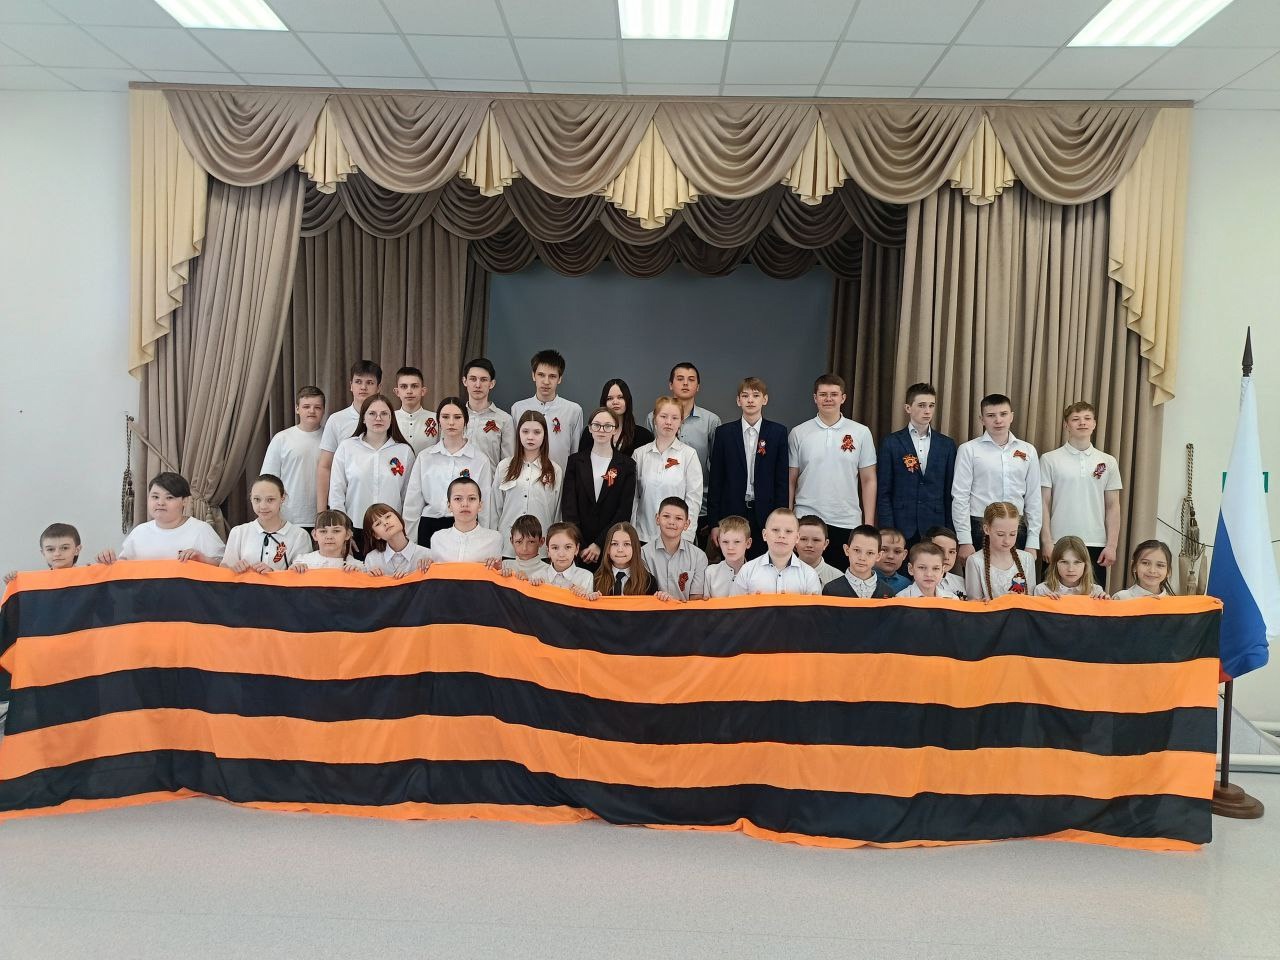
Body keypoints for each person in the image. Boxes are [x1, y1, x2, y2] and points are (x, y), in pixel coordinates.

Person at [788, 374, 877, 571]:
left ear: (843, 398)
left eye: (834, 394)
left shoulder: (861, 432)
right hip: (806, 518)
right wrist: (789, 519)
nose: (828, 399)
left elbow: (869, 480)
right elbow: (791, 479)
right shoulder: (799, 433)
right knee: (801, 578)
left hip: (845, 520)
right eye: (823, 394)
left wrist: (868, 524)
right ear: (815, 398)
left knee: (840, 580)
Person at [1039, 401, 1123, 588]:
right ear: (1066, 425)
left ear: (1094, 423)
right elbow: (1043, 503)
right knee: (1052, 597)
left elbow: (1113, 506)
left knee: (1093, 600)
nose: (1082, 423)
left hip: (1095, 542)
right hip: (1058, 542)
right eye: (1075, 419)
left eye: (1087, 418)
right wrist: (1046, 541)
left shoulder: (1108, 461)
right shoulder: (1049, 459)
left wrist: (1111, 545)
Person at [953, 393, 1042, 563]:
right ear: (982, 419)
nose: (998, 420)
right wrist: (964, 540)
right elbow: (960, 496)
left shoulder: (1028, 450)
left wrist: (1032, 541)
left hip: (1017, 528)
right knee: (980, 578)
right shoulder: (969, 450)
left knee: (1016, 578)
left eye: (1003, 414)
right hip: (980, 526)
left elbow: (1034, 498)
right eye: (991, 415)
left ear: (1011, 416)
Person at [707, 377, 788, 559]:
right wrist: (714, 523)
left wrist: (781, 520)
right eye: (745, 396)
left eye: (756, 395)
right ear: (738, 400)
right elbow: (716, 480)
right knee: (733, 562)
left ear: (764, 400)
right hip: (731, 512)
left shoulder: (778, 432)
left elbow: (781, 481)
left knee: (763, 563)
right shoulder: (724, 433)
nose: (750, 400)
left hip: (765, 514)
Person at [402, 396, 496, 546]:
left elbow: (485, 505)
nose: (451, 422)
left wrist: (484, 539)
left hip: (466, 526)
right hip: (429, 525)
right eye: (445, 417)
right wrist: (410, 542)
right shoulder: (425, 457)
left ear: (466, 421)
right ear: (438, 420)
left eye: (457, 417)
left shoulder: (479, 460)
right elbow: (412, 503)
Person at [329, 394, 415, 551]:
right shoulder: (347, 448)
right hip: (355, 529)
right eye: (372, 413)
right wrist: (342, 531)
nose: (378, 418)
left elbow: (409, 497)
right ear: (363, 418)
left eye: (384, 414)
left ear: (391, 418)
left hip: (392, 531)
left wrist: (406, 531)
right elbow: (336, 493)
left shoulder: (404, 451)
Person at [646, 362, 721, 539]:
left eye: (691, 380)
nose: (685, 383)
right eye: (680, 379)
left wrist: (714, 513)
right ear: (670, 384)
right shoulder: (653, 418)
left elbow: (718, 469)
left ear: (698, 386)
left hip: (700, 505)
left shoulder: (711, 421)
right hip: (659, 505)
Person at [876, 383, 956, 548]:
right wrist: (887, 529)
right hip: (901, 525)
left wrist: (949, 531)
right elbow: (884, 491)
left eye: (931, 406)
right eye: (921, 405)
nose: (927, 411)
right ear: (908, 408)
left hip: (936, 526)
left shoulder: (946, 444)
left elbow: (950, 492)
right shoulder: (892, 442)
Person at [563, 407, 637, 568]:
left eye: (608, 426)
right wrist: (581, 545)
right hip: (578, 548)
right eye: (596, 425)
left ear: (615, 429)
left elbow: (624, 511)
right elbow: (569, 508)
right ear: (590, 428)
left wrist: (599, 544)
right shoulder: (575, 462)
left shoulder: (627, 465)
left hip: (610, 547)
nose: (601, 430)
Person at [97, 472, 224, 565]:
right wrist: (107, 561)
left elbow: (224, 567)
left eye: (169, 498)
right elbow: (122, 568)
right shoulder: (139, 532)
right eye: (155, 497)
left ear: (185, 501)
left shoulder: (201, 530)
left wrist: (203, 559)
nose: (160, 503)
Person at [492, 411, 563, 559]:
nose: (530, 437)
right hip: (508, 548)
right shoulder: (504, 467)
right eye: (525, 431)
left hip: (541, 548)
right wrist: (493, 544)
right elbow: (495, 508)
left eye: (537, 432)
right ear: (518, 434)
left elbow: (557, 513)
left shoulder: (554, 470)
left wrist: (554, 545)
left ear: (545, 435)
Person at [633, 396, 702, 545]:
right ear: (654, 419)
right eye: (663, 416)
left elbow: (693, 500)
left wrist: (686, 536)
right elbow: (634, 499)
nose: (669, 422)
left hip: (677, 537)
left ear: (681, 422)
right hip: (643, 535)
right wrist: (631, 533)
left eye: (675, 418)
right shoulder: (640, 454)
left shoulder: (689, 455)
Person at [316, 359, 382, 514]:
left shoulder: (388, 419)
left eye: (370, 383)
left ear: (379, 387)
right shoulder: (336, 420)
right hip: (346, 505)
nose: (363, 387)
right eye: (358, 382)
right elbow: (325, 466)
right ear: (351, 385)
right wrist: (322, 512)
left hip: (383, 505)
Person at [261, 385, 324, 532]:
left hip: (322, 519)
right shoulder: (282, 438)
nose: (312, 411)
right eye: (306, 406)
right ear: (297, 409)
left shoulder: (331, 439)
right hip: (287, 518)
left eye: (317, 407)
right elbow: (268, 480)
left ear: (323, 410)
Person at [221, 474, 313, 573]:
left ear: (282, 498)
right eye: (257, 499)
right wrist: (234, 568)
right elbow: (224, 571)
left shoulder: (300, 536)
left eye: (270, 499)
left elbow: (303, 575)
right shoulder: (238, 532)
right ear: (251, 498)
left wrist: (273, 573)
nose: (263, 506)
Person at [510, 349, 583, 473]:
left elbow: (575, 452)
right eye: (541, 375)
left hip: (560, 478)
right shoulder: (518, 408)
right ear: (533, 375)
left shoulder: (573, 410)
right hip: (524, 477)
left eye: (552, 376)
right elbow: (514, 448)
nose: (546, 382)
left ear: (559, 379)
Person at [732, 508, 822, 596]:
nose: (781, 535)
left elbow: (816, 607)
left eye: (788, 531)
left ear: (797, 537)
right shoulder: (747, 571)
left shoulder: (809, 575)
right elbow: (733, 605)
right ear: (764, 534)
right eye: (775, 530)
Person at [964, 502, 1037, 601]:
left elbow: (1032, 600)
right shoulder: (975, 561)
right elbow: (973, 603)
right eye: (1000, 534)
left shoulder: (1027, 559)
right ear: (986, 529)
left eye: (1012, 534)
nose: (1007, 541)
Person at [640, 497, 708, 601]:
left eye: (678, 518)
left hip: (685, 611)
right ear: (657, 519)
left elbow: (696, 599)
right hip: (653, 610)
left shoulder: (699, 556)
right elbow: (643, 595)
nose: (671, 522)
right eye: (666, 516)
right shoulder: (643, 553)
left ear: (686, 524)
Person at [428, 476, 503, 562]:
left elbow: (497, 569)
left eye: (472, 498)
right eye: (458, 499)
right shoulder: (438, 538)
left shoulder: (495, 539)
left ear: (480, 505)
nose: (465, 504)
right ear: (449, 506)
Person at [461, 357, 515, 469]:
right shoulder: (455, 417)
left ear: (492, 384)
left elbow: (508, 463)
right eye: (473, 379)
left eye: (484, 380)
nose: (478, 385)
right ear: (465, 381)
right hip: (456, 479)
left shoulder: (504, 420)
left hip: (489, 479)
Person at [577, 378, 653, 457]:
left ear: (628, 401)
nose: (615, 402)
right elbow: (581, 461)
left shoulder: (644, 435)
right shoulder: (591, 431)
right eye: (609, 398)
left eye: (620, 397)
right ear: (604, 402)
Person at [822, 526, 895, 599]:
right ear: (847, 550)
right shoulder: (831, 590)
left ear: (878, 556)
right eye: (857, 550)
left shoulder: (888, 592)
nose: (862, 558)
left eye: (870, 553)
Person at [362, 503, 432, 578]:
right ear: (376, 535)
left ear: (399, 518)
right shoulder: (372, 559)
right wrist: (374, 579)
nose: (385, 523)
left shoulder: (427, 555)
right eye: (378, 523)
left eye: (388, 516)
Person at [592, 522, 661, 597]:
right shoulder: (596, 579)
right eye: (615, 544)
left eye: (626, 544)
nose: (620, 550)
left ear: (635, 548)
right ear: (608, 549)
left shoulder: (649, 581)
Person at [4, 522, 82, 583]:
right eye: (50, 549)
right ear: (43, 553)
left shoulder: (87, 576)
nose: (57, 554)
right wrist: (14, 584)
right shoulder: (35, 582)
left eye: (65, 548)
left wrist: (90, 573)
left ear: (77, 550)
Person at [1034, 535, 1108, 598]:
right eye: (1064, 562)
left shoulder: (1095, 591)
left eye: (1077, 562)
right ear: (1055, 564)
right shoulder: (1042, 590)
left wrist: (1105, 603)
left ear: (1085, 565)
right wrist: (1046, 602)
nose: (1071, 569)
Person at [531, 522, 595, 594]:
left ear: (576, 549)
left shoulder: (586, 577)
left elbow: (588, 601)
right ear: (548, 551)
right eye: (555, 548)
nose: (561, 554)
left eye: (568, 547)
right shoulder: (537, 576)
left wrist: (584, 596)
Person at [291, 509, 363, 571]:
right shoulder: (302, 561)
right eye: (323, 531)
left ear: (347, 534)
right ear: (314, 534)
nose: (329, 537)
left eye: (336, 531)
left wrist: (358, 574)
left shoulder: (356, 566)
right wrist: (295, 570)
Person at [392, 366, 438, 456]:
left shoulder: (436, 419)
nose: (409, 391)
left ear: (423, 391)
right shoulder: (389, 419)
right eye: (404, 386)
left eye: (414, 386)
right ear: (397, 392)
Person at [1112, 540, 1176, 600]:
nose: (1152, 571)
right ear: (1134, 566)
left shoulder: (1173, 602)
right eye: (1145, 563)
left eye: (1160, 565)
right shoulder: (1121, 598)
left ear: (1168, 571)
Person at [705, 515, 751, 598]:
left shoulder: (757, 574)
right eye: (725, 542)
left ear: (748, 543)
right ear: (719, 541)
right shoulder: (710, 573)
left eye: (737, 542)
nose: (730, 547)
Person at [490, 514, 548, 578]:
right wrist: (493, 569)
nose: (524, 548)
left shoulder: (547, 570)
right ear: (512, 541)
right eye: (519, 542)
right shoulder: (504, 565)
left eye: (531, 542)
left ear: (541, 542)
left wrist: (528, 580)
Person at [796, 515, 842, 586]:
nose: (809, 545)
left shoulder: (838, 579)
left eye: (816, 540)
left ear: (825, 544)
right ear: (795, 541)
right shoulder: (781, 573)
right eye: (803, 539)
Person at [926, 525, 968, 600]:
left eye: (951, 552)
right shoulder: (920, 583)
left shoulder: (962, 582)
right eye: (940, 550)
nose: (946, 557)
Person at [875, 528, 911, 594]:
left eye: (897, 551)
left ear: (904, 555)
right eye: (884, 550)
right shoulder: (862, 580)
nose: (890, 556)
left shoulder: (906, 585)